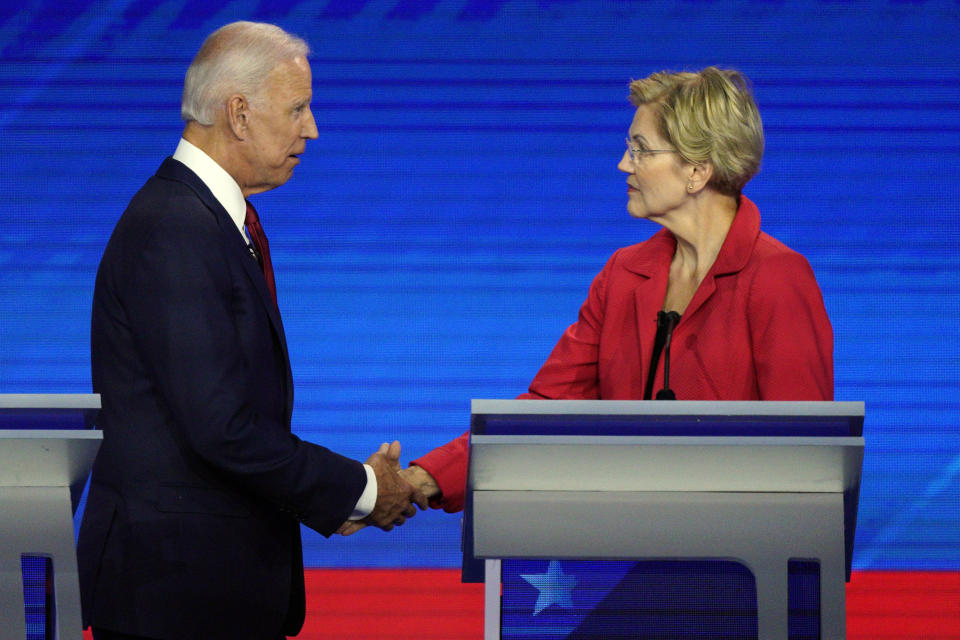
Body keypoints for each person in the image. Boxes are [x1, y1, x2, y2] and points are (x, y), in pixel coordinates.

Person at [77, 22, 424, 640]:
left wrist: (332, 497)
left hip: (206, 590)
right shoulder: (175, 228)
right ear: (238, 114)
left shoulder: (208, 220)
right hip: (175, 600)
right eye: (297, 109)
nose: (311, 129)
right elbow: (222, 429)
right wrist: (365, 490)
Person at [386, 66, 834, 515]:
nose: (624, 164)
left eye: (639, 150)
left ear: (697, 170)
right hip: (624, 550)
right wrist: (427, 477)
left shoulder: (777, 278)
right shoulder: (622, 275)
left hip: (738, 559)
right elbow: (547, 410)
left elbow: (805, 458)